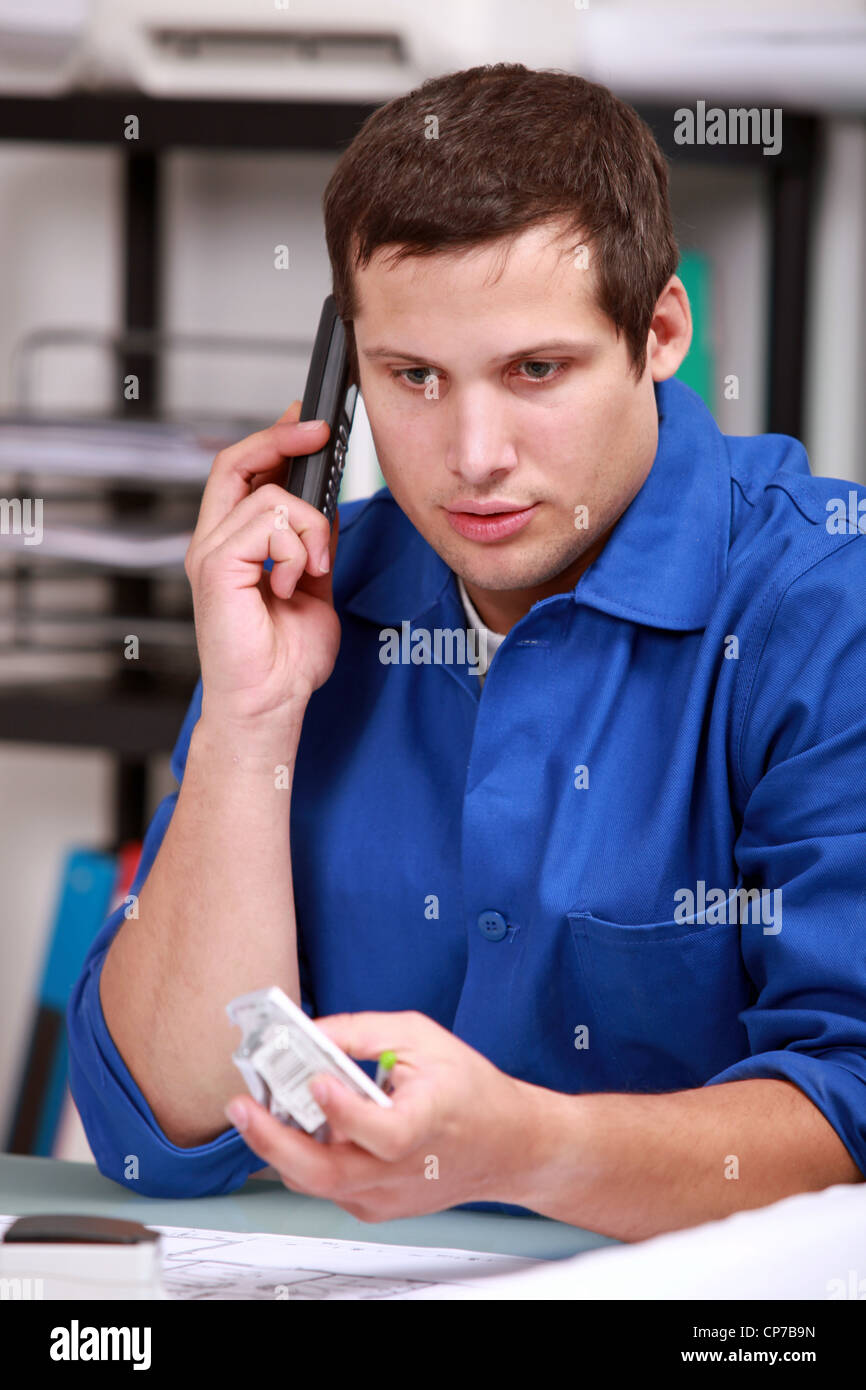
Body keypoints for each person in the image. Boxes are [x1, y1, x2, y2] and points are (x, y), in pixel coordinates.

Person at [67, 64, 866, 1240]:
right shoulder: (312, 597)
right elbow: (163, 1130)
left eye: (534, 371)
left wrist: (527, 1148)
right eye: (413, 379)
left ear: (658, 332)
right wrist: (249, 721)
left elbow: (847, 1118)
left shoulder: (821, 603)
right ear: (344, 377)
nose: (471, 455)